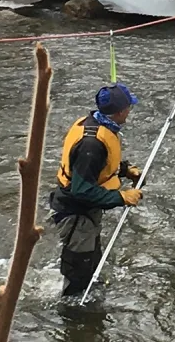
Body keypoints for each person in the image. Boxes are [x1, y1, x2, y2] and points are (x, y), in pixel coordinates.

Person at [48, 82, 144, 296]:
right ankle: (73, 316)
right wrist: (122, 197)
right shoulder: (91, 145)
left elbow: (96, 167)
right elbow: (81, 190)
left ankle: (91, 304)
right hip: (75, 213)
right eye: (129, 107)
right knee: (79, 272)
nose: (130, 111)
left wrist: (124, 170)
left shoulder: (98, 125)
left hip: (86, 211)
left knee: (92, 262)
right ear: (120, 112)